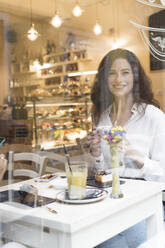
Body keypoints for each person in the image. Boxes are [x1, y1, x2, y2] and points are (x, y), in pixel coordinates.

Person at [88, 48, 165, 248]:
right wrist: (96, 155)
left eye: (125, 72)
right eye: (111, 73)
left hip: (143, 208)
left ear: (135, 77)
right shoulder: (101, 117)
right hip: (108, 206)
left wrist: (138, 158)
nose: (118, 79)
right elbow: (101, 173)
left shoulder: (153, 117)